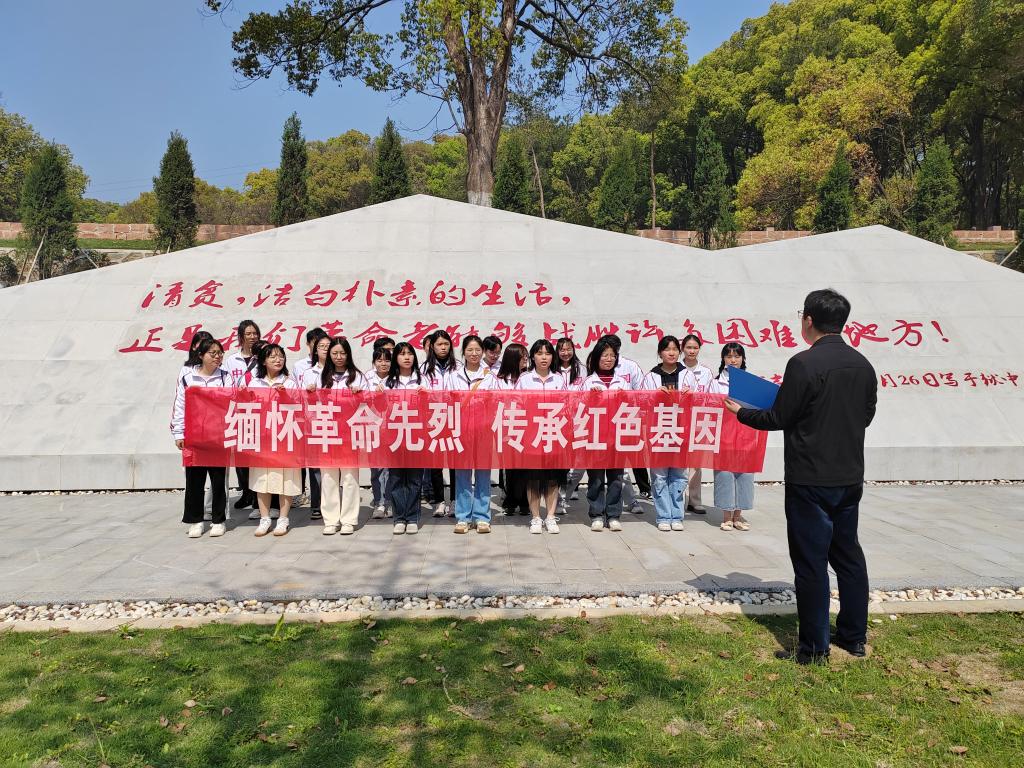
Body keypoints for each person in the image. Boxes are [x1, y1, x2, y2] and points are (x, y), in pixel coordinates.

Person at [724, 289, 877, 664]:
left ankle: (814, 648)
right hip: (849, 475)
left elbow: (778, 417)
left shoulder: (804, 364)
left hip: (810, 479)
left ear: (808, 320)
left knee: (811, 563)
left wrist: (741, 412)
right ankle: (853, 637)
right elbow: (866, 415)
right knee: (848, 557)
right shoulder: (862, 364)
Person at [171, 338, 231, 538]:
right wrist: (179, 433)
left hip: (217, 435)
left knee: (218, 480)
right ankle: (195, 520)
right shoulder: (188, 377)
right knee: (194, 480)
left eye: (220, 353)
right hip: (194, 435)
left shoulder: (225, 377)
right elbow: (180, 405)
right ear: (201, 356)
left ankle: (218, 520)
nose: (217, 357)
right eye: (212, 353)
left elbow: (232, 402)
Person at [247, 343, 302, 537]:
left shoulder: (290, 383)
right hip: (262, 438)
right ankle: (264, 519)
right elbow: (246, 408)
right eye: (272, 357)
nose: (278, 360)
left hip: (285, 437)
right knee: (262, 478)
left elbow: (300, 408)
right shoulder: (255, 383)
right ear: (263, 361)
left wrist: (285, 396)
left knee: (285, 478)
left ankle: (283, 519)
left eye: (281, 356)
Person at [315, 337, 366, 535]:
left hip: (349, 432)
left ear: (348, 355)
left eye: (342, 353)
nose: (338, 357)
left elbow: (367, 404)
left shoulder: (357, 376)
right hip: (327, 430)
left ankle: (348, 520)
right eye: (335, 353)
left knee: (350, 476)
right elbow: (311, 403)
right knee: (328, 476)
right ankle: (330, 519)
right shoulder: (320, 376)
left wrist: (359, 394)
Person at [445, 335, 494, 534]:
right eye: (470, 350)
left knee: (483, 474)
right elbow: (446, 402)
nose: (474, 354)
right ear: (463, 352)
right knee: (462, 474)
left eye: (477, 350)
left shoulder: (490, 376)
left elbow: (498, 402)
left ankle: (482, 517)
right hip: (461, 431)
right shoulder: (453, 376)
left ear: (482, 352)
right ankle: (463, 517)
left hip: (484, 431)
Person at [580, 339, 630, 532]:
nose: (609, 359)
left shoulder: (623, 382)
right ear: (596, 358)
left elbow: (632, 407)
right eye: (605, 355)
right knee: (596, 478)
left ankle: (614, 515)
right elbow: (580, 408)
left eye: (612, 356)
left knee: (616, 477)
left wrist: (624, 398)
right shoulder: (589, 382)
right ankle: (596, 514)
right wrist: (590, 397)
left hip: (617, 436)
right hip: (595, 436)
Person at [517, 339, 566, 534]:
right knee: (534, 479)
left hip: (554, 434)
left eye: (547, 353)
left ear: (552, 357)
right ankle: (536, 517)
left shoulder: (559, 380)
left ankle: (551, 517)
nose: (544, 357)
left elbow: (566, 406)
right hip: (532, 435)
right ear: (533, 357)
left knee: (553, 479)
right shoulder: (524, 379)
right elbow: (516, 405)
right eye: (539, 353)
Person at [643, 335, 689, 532]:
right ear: (660, 353)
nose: (671, 353)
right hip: (659, 431)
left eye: (675, 349)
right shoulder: (651, 376)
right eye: (667, 349)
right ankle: (663, 515)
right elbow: (642, 403)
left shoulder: (687, 375)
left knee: (679, 475)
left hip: (681, 431)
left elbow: (701, 401)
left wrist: (690, 395)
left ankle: (677, 515)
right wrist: (654, 395)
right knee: (659, 476)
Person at [385, 342, 432, 535]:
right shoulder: (388, 382)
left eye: (410, 354)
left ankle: (412, 517)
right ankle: (399, 518)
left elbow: (434, 406)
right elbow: (378, 409)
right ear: (395, 358)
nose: (407, 357)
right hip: (394, 436)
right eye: (402, 354)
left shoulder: (423, 380)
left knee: (414, 478)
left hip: (416, 435)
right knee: (396, 478)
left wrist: (427, 396)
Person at [713, 343, 756, 532]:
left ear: (743, 359)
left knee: (744, 474)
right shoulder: (715, 382)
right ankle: (726, 516)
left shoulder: (750, 382)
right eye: (729, 356)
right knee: (724, 474)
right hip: (723, 435)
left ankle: (738, 516)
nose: (733, 360)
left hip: (746, 434)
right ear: (723, 359)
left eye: (737, 356)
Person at [225, 320, 261, 511]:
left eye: (255, 333)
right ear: (241, 337)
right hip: (239, 412)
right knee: (241, 455)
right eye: (248, 333)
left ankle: (257, 494)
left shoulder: (263, 356)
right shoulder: (232, 360)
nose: (252, 337)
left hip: (258, 412)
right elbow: (227, 384)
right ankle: (245, 491)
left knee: (256, 454)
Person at [491, 343, 529, 516]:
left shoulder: (528, 377)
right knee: (510, 466)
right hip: (505, 427)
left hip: (526, 427)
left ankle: (525, 501)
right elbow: (494, 403)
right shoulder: (498, 379)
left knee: (525, 466)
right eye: (523, 357)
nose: (526, 359)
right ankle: (511, 500)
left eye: (526, 356)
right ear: (513, 358)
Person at [422, 330, 457, 516]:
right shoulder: (423, 368)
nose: (443, 348)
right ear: (432, 347)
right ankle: (439, 501)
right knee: (435, 463)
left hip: (454, 419)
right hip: (433, 420)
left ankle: (455, 500)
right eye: (439, 344)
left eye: (446, 344)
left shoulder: (458, 367)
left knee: (454, 462)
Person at [680, 333, 716, 515]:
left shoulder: (706, 372)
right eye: (688, 347)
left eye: (695, 348)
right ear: (682, 349)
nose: (692, 351)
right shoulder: (677, 370)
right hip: (678, 420)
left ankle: (694, 500)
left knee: (695, 463)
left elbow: (711, 396)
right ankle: (678, 500)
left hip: (699, 420)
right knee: (678, 462)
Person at [300, 334, 333, 521]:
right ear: (315, 350)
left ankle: (333, 502)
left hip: (335, 422)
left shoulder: (340, 372)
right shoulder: (308, 373)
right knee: (315, 466)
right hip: (314, 422)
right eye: (322, 346)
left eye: (329, 345)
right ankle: (317, 504)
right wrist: (308, 393)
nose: (326, 349)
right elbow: (299, 398)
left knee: (335, 464)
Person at [555, 337, 585, 513]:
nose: (565, 353)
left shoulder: (582, 369)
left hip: (579, 420)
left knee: (580, 464)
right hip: (558, 422)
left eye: (568, 349)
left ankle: (565, 494)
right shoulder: (553, 370)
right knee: (561, 464)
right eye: (562, 350)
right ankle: (559, 500)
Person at [365, 347, 393, 518]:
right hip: (372, 428)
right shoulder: (366, 378)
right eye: (379, 360)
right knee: (376, 468)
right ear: (374, 362)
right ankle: (379, 502)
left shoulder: (396, 379)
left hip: (392, 428)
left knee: (390, 468)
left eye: (387, 360)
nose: (383, 363)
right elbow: (359, 400)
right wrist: (372, 395)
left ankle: (389, 501)